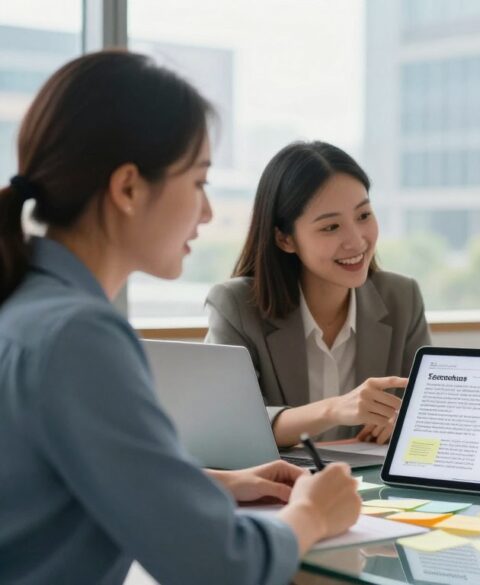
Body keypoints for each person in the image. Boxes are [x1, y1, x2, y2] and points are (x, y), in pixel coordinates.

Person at [0, 51, 360, 585]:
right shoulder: (79, 337)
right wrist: (313, 514)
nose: (207, 212)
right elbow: (220, 566)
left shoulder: (27, 307)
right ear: (128, 188)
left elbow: (58, 484)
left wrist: (209, 484)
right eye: (198, 183)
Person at [206, 141, 431, 447]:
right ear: (285, 239)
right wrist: (335, 409)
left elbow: (428, 406)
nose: (356, 241)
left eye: (363, 215)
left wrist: (405, 419)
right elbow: (230, 424)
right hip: (284, 477)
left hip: (370, 477)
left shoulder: (402, 298)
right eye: (331, 227)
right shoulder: (235, 306)